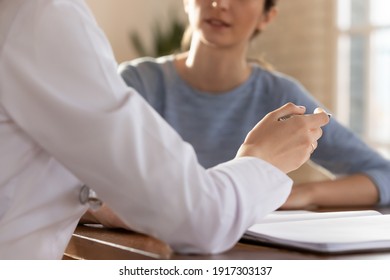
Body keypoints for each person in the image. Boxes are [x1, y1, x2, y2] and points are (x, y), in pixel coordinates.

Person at [0, 0, 329, 259]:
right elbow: (199, 220)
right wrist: (262, 160)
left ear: (266, 17)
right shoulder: (41, 17)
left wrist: (111, 198)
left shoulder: (277, 88)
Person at [118, 0, 390, 209]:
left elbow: (384, 175)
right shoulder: (136, 84)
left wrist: (298, 194)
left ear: (266, 16)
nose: (221, 4)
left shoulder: (281, 97)